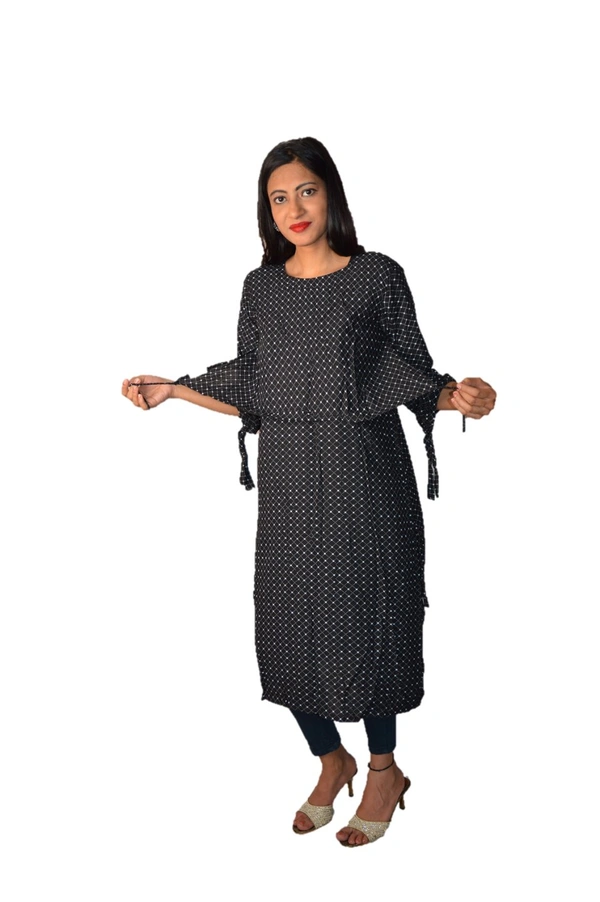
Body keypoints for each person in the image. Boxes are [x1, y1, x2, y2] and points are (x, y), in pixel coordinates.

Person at [122, 137, 496, 847]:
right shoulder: (260, 288)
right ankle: (332, 760)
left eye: (307, 190)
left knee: (370, 619)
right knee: (288, 625)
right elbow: (254, 385)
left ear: (332, 195)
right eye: (278, 197)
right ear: (266, 211)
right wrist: (174, 389)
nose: (294, 208)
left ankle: (383, 769)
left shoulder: (376, 276)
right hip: (291, 484)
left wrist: (465, 399)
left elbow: (415, 375)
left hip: (367, 480)